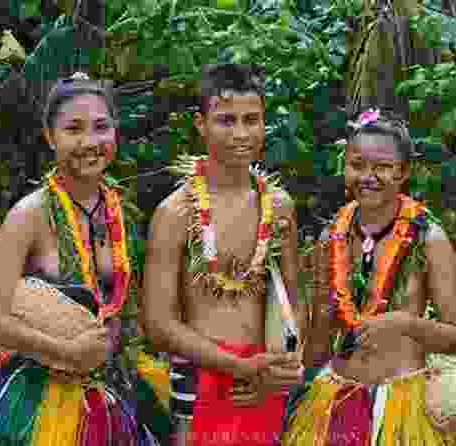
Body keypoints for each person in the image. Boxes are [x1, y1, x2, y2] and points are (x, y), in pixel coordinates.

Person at [0, 72, 168, 446]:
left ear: (115, 132)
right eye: (74, 129)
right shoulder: (29, 215)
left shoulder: (118, 209)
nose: (90, 142)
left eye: (101, 127)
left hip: (117, 387)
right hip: (44, 400)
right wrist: (66, 351)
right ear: (50, 137)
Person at [280, 107, 456, 446]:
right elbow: (320, 330)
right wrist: (296, 387)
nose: (368, 176)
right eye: (357, 165)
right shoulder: (331, 237)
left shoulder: (428, 238)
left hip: (403, 405)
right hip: (334, 398)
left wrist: (404, 324)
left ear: (403, 172)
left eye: (383, 167)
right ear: (344, 166)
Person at [142, 63, 305, 446]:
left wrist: (286, 365)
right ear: (200, 124)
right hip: (200, 376)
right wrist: (238, 366)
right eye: (226, 120)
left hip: (264, 376)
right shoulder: (175, 212)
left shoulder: (279, 207)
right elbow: (157, 322)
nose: (241, 133)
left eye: (252, 120)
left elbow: (295, 301)